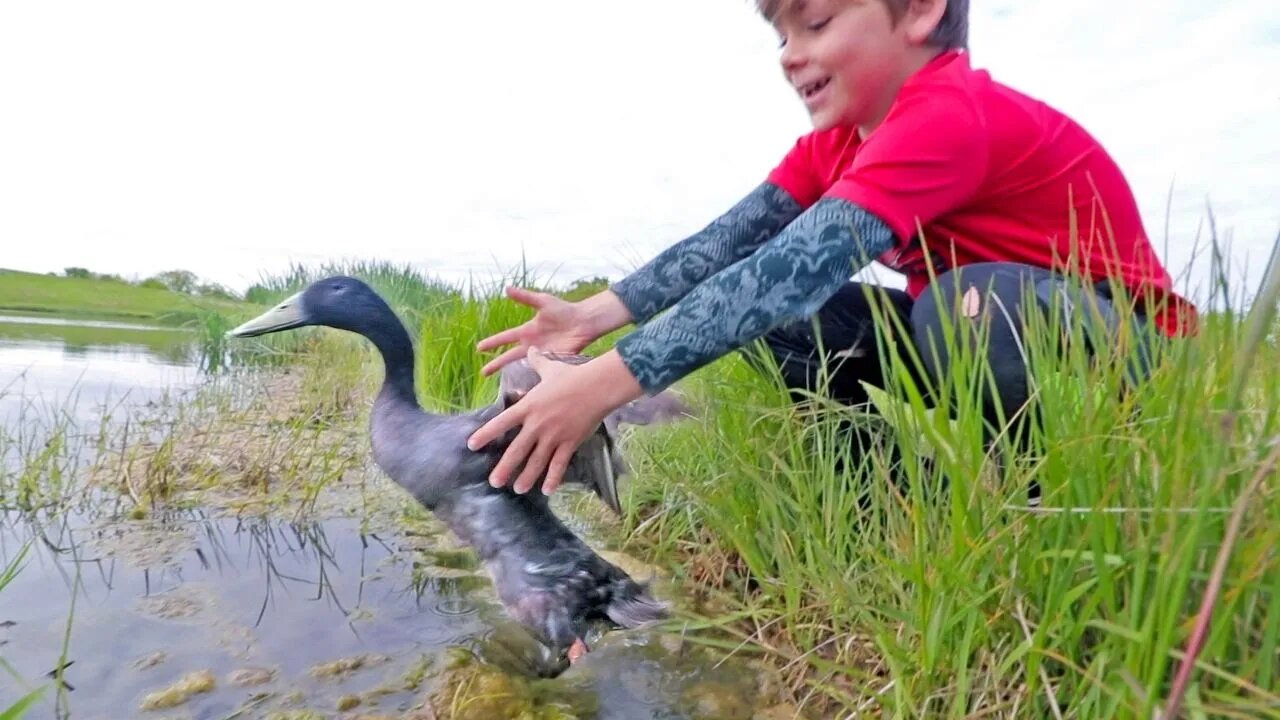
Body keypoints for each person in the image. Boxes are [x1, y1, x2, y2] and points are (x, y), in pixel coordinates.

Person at [465, 0, 1196, 497]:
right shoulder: (839, 143)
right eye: (781, 34)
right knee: (790, 319)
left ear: (918, 10)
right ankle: (895, 502)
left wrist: (597, 388)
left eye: (814, 21)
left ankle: (1049, 501)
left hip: (1121, 361)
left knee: (957, 306)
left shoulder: (949, 114)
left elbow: (791, 267)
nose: (791, 54)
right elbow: (732, 243)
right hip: (975, 339)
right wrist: (590, 317)